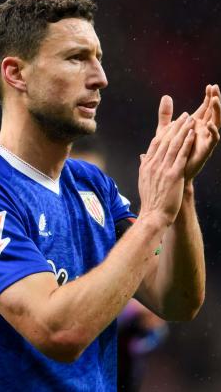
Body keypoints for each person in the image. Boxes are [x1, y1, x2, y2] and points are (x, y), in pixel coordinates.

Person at [0, 0, 221, 390]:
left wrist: (180, 189)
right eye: (76, 58)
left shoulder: (93, 186)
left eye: (98, 58)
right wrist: (153, 217)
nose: (100, 77)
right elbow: (58, 332)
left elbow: (176, 299)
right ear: (16, 73)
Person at [70, 138, 169, 391]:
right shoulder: (39, 234)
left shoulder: (114, 229)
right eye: (75, 178)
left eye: (93, 178)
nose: (85, 191)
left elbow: (156, 322)